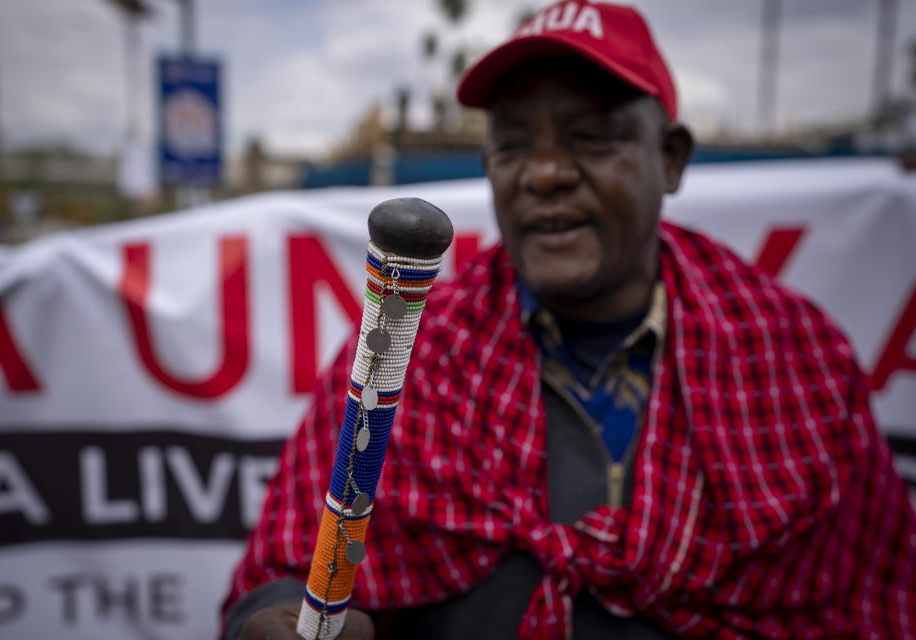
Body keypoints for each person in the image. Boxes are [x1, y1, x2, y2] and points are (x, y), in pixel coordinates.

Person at [223, 2, 916, 638]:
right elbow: (279, 575)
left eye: (591, 136)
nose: (545, 172)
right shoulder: (409, 354)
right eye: (512, 145)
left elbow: (881, 603)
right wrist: (273, 619)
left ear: (669, 158)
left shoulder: (794, 359)